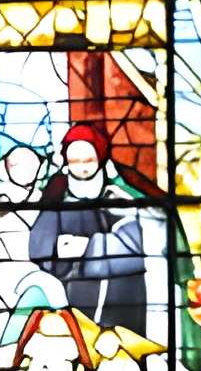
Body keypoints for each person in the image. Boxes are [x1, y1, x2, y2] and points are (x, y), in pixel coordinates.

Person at [29, 122, 153, 335]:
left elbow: (142, 246)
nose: (82, 167)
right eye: (75, 161)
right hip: (73, 305)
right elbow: (38, 247)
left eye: (88, 160)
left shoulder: (121, 197)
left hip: (124, 304)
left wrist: (88, 248)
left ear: (101, 158)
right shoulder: (57, 201)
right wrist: (56, 251)